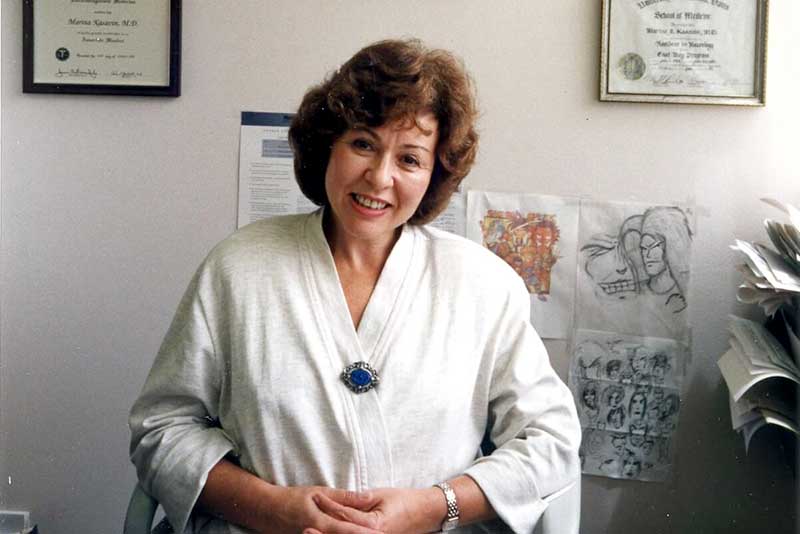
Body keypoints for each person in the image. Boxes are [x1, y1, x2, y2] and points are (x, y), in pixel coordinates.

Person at [129, 39, 580, 534]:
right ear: (328, 146)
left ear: (433, 175)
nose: (379, 177)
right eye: (363, 143)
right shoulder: (239, 268)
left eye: (409, 159)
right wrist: (268, 508)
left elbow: (550, 441)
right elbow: (162, 428)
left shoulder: (483, 285)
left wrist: (434, 507)